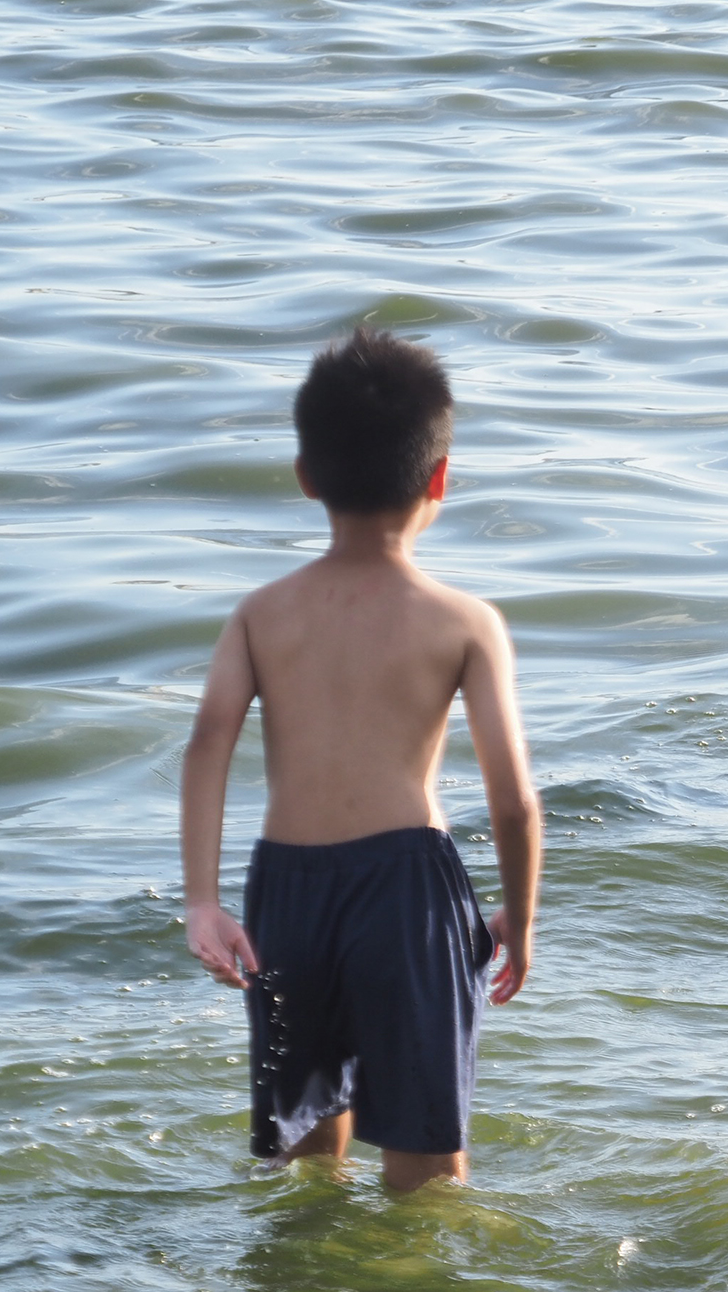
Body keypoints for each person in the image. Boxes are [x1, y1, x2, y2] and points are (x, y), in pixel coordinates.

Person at [178, 327, 543, 1191]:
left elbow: (206, 746)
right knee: (426, 1160)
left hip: (287, 892)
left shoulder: (260, 614)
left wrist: (203, 900)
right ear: (439, 478)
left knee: (305, 1149)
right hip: (408, 890)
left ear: (306, 477)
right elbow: (514, 802)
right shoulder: (463, 621)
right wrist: (517, 922)